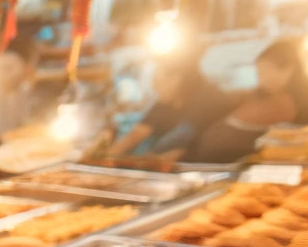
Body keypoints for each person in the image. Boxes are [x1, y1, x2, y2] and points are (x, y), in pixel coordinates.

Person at [187, 40, 308, 162]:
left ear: (288, 70)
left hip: (231, 159)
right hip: (211, 158)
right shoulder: (258, 96)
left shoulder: (288, 103)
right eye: (259, 73)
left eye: (265, 72)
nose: (261, 79)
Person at [106, 57, 234, 159]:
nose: (155, 87)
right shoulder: (166, 100)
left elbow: (181, 146)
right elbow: (138, 133)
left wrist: (150, 160)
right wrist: (107, 156)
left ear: (177, 78)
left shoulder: (207, 100)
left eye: (159, 81)